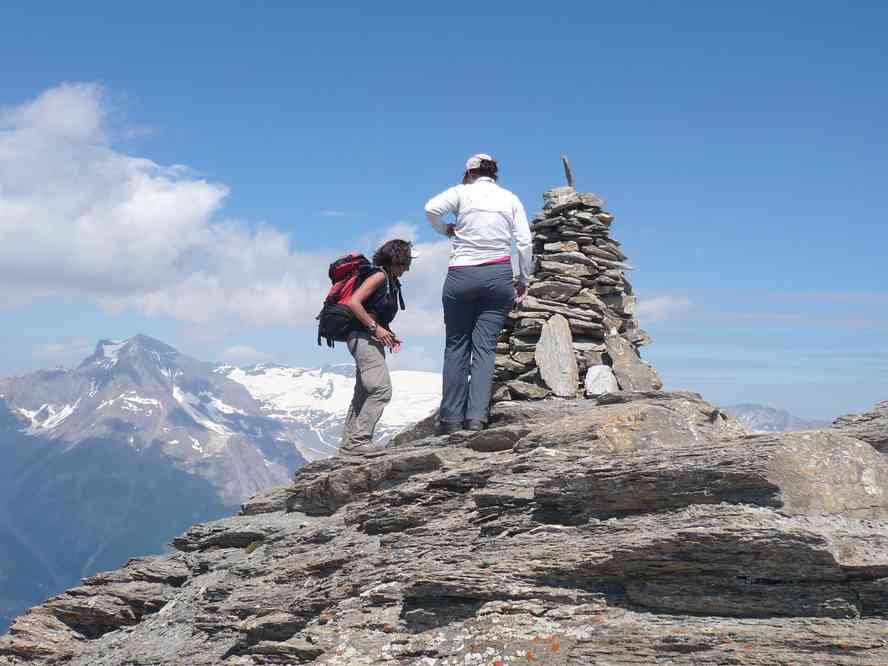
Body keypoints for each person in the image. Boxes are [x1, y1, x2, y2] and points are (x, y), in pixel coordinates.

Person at [425, 154, 532, 433]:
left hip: (461, 274)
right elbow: (524, 241)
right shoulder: (510, 198)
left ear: (469, 172)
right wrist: (523, 278)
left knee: (456, 346)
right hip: (497, 275)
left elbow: (431, 208)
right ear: (495, 174)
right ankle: (476, 419)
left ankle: (450, 420)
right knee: (484, 349)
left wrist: (445, 229)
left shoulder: (461, 192)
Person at [339, 239, 412, 453]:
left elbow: (375, 311)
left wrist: (386, 333)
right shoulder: (379, 276)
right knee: (381, 390)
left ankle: (348, 445)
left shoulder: (390, 280)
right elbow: (354, 302)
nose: (407, 268)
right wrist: (375, 329)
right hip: (363, 338)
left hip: (368, 338)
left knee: (363, 392)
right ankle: (359, 441)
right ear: (397, 260)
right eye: (406, 262)